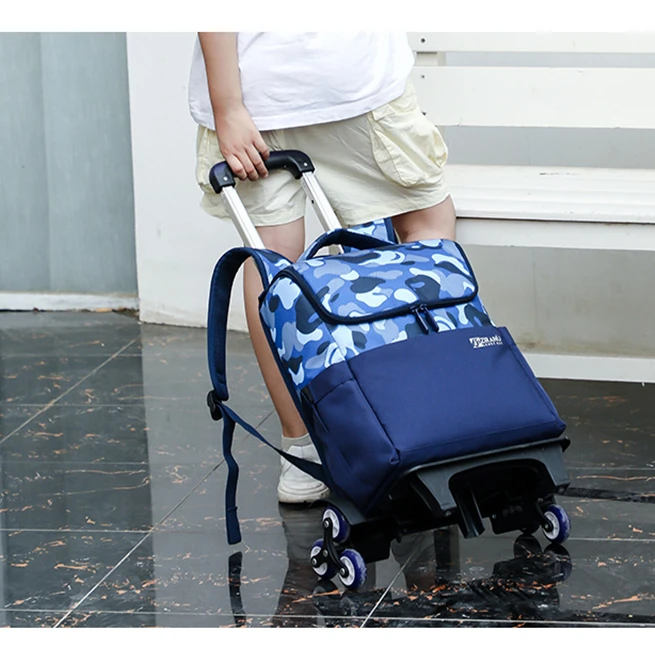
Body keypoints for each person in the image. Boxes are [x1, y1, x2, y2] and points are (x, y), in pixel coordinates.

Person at [189, 32, 456, 504]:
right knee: (426, 228)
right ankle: (430, 421)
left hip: (258, 90)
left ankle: (303, 452)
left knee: (273, 260)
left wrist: (228, 107)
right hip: (351, 77)